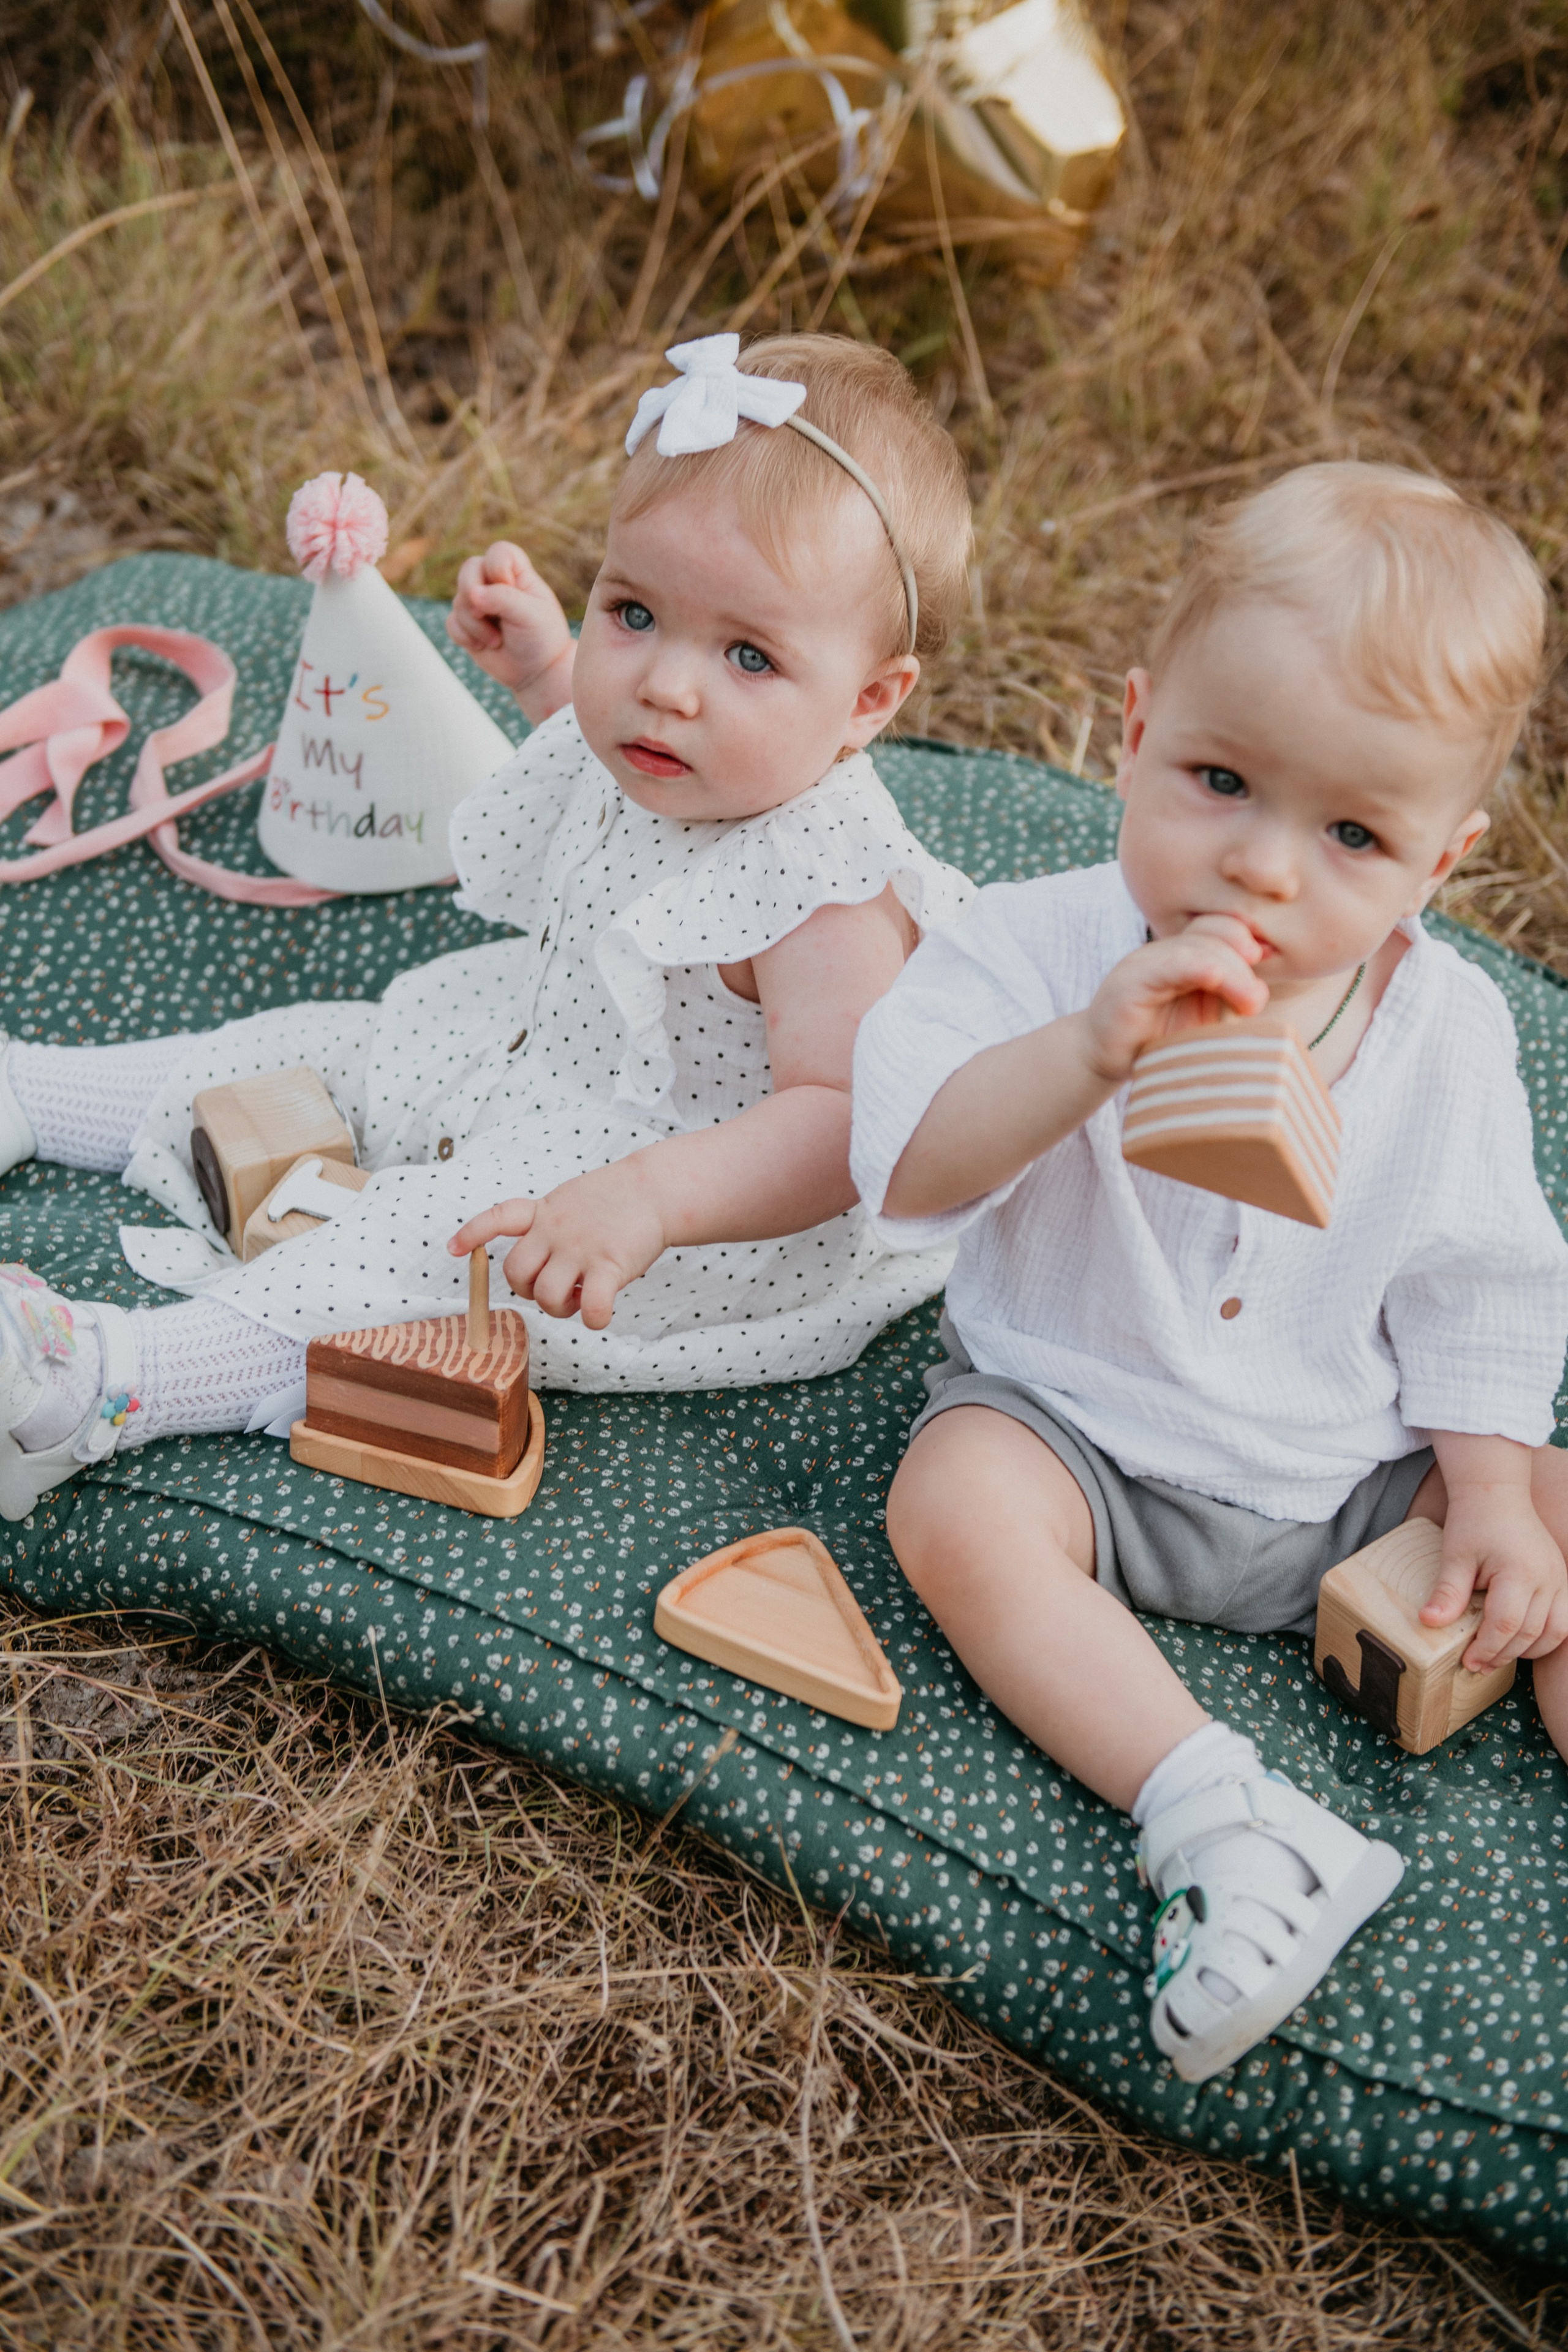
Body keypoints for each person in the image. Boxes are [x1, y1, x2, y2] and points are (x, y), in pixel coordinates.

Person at [849, 462, 1568, 2084]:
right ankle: (1222, 1815)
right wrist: (1086, 1051)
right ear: (1136, 726)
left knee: (1549, 1506)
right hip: (1078, 1438)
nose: (1261, 868)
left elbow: (1479, 1290)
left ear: (1440, 866)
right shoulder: (1030, 951)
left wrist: (1494, 1496)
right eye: (1222, 780)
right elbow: (906, 1168)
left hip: (1349, 1481)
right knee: (946, 1502)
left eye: (1353, 835)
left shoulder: (1448, 1034)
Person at [0, 333, 974, 1520]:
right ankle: (33, 1092)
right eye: (633, 612)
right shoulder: (672, 741)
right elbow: (605, 745)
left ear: (869, 703)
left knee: (435, 1252)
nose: (665, 687)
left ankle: (113, 1384)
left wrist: (648, 1202)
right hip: (530, 1048)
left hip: (669, 1193)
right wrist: (550, 673)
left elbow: (836, 1123)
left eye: (747, 655)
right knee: (328, 1044)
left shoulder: (825, 893)